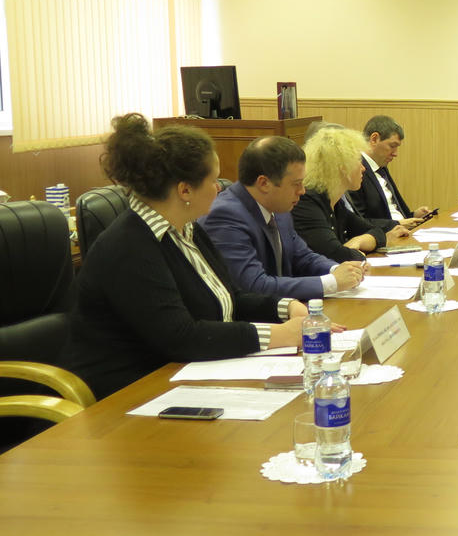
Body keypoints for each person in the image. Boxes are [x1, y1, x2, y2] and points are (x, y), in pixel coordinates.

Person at [66, 114, 306, 399]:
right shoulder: (128, 246)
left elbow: (231, 297)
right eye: (213, 180)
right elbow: (181, 337)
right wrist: (279, 335)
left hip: (183, 375)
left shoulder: (187, 230)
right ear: (185, 190)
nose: (220, 188)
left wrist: (285, 307)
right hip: (129, 394)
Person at [202, 136, 366, 301]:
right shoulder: (225, 216)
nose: (302, 191)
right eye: (296, 184)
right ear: (264, 183)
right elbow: (253, 285)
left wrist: (337, 270)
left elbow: (302, 256)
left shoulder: (279, 207)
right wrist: (332, 282)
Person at [294, 126, 410, 263]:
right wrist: (356, 252)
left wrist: (359, 241)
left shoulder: (335, 202)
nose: (363, 168)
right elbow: (336, 255)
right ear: (342, 167)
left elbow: (377, 232)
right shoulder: (307, 202)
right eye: (358, 161)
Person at [348, 115, 434, 228]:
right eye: (392, 146)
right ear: (374, 139)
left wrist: (413, 215)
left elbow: (391, 210)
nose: (395, 153)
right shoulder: (356, 171)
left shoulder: (381, 168)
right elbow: (358, 223)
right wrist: (397, 224)